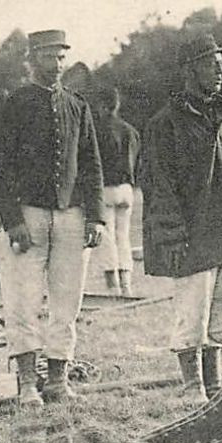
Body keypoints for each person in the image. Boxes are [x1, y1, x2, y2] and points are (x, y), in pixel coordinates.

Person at [0, 29, 105, 405]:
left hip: (70, 215)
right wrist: (12, 218)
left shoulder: (77, 106)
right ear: (31, 60)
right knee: (22, 300)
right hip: (27, 216)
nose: (57, 64)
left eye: (62, 56)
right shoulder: (13, 105)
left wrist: (95, 217)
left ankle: (58, 380)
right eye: (49, 56)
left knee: (67, 302)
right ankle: (28, 383)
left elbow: (92, 166)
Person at [139, 33, 222, 403]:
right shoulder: (165, 124)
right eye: (211, 63)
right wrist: (172, 235)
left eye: (221, 63)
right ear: (190, 70)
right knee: (193, 311)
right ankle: (193, 387)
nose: (220, 70)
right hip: (192, 235)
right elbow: (158, 185)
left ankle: (215, 383)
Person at [89, 82, 140, 297]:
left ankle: (113, 286)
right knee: (123, 236)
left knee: (107, 237)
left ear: (101, 105)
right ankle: (126, 284)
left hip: (106, 188)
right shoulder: (131, 131)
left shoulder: (97, 131)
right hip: (127, 188)